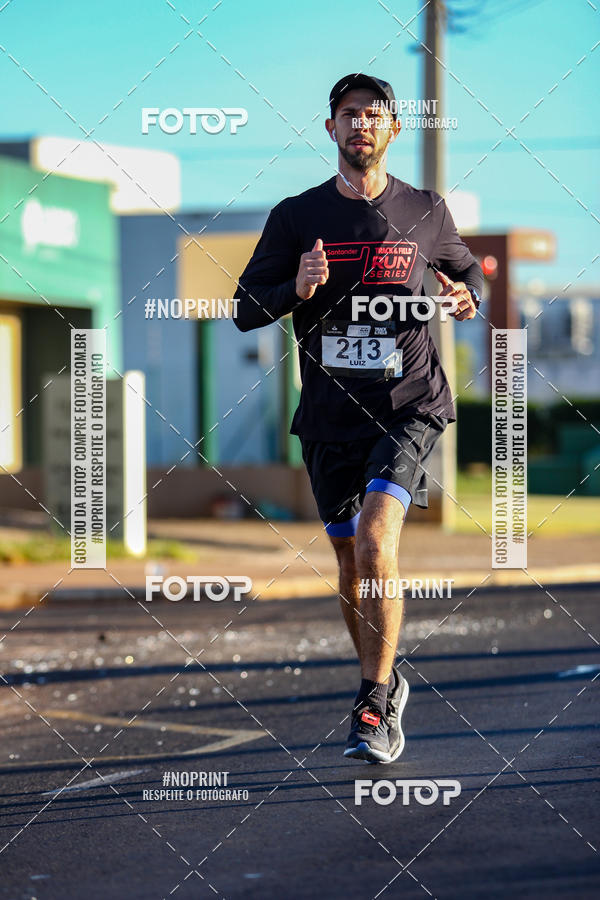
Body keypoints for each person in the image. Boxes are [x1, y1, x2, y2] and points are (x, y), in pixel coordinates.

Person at [233, 73, 482, 763]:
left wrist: (468, 296)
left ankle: (372, 705)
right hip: (327, 415)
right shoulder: (295, 216)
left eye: (374, 115)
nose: (361, 125)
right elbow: (245, 308)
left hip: (408, 406)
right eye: (348, 115)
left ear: (394, 129)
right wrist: (298, 287)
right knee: (349, 559)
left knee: (376, 541)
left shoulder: (427, 209)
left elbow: (468, 273)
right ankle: (387, 676)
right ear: (330, 129)